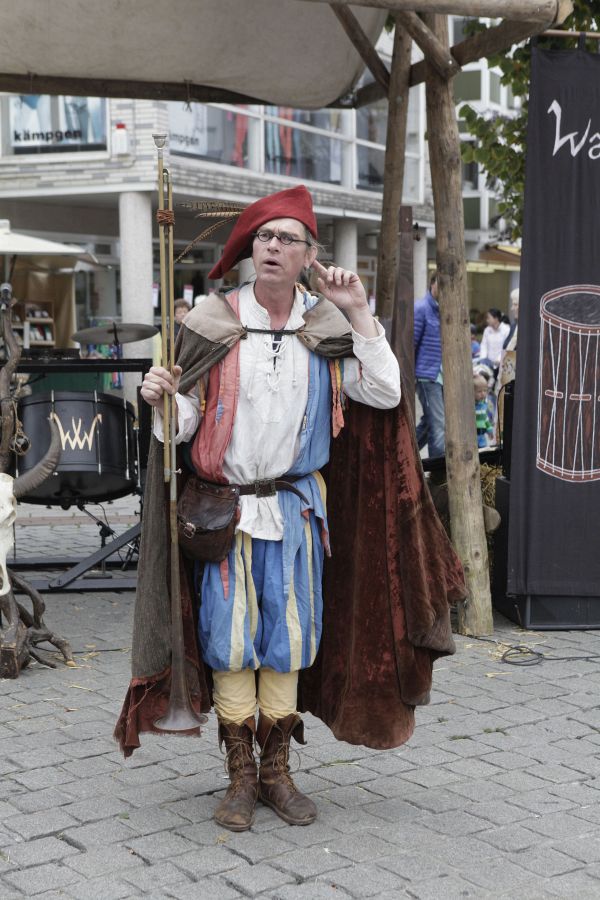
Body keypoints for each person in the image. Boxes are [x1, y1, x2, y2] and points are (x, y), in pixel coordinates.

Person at [115, 185, 464, 834]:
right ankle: (241, 775)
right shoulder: (209, 323)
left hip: (298, 513)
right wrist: (162, 398)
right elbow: (182, 428)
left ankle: (276, 771)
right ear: (252, 249)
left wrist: (358, 312)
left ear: (309, 255)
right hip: (224, 516)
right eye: (264, 237)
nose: (273, 247)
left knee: (289, 642)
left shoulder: (324, 326)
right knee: (229, 644)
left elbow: (386, 393)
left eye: (287, 239)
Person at [414, 272, 445, 458]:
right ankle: (438, 470)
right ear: (432, 284)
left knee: (430, 422)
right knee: (438, 424)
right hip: (426, 375)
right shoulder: (422, 308)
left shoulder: (445, 309)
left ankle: (402, 458)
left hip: (441, 376)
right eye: (440, 284)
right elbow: (412, 343)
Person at [478, 307, 510, 375]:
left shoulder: (506, 330)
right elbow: (484, 345)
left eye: (489, 318)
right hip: (488, 363)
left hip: (502, 363)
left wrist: (499, 360)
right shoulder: (487, 330)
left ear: (496, 318)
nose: (487, 320)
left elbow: (506, 347)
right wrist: (483, 359)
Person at [473, 371, 495, 448]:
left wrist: (490, 430)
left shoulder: (484, 405)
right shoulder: (471, 406)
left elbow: (486, 419)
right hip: (473, 438)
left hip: (482, 437)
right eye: (479, 391)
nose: (483, 393)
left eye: (485, 390)